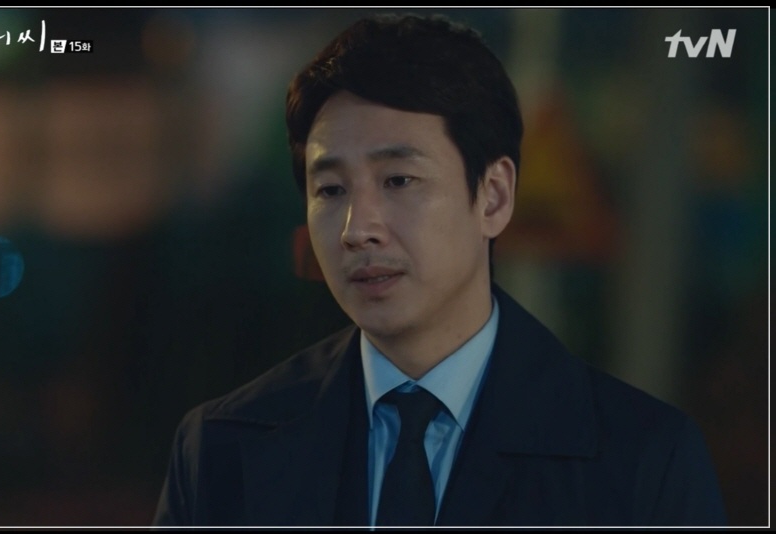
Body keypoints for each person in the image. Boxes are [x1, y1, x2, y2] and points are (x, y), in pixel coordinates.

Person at [152, 13, 727, 527]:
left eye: (398, 180)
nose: (357, 228)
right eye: (330, 190)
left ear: (494, 196)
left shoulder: (642, 461)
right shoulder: (222, 450)